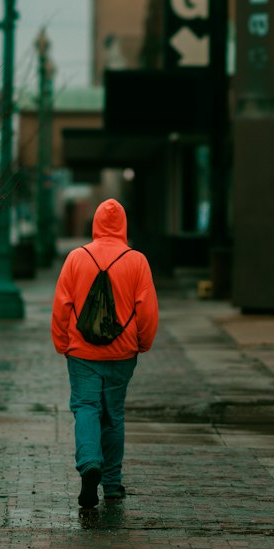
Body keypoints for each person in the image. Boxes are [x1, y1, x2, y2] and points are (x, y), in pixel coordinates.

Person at [51, 197, 158, 509]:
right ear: (123, 225)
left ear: (96, 223)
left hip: (82, 352)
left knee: (86, 407)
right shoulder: (137, 261)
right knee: (114, 415)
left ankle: (89, 464)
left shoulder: (76, 258)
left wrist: (61, 342)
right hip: (122, 352)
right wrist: (143, 342)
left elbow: (62, 306)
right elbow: (147, 310)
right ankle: (112, 484)